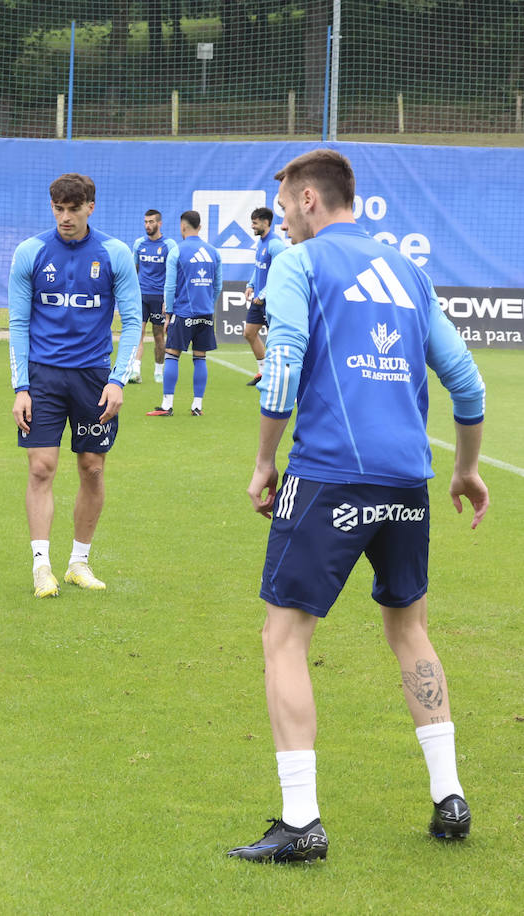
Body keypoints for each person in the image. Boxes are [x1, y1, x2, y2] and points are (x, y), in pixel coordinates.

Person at [228, 149, 488, 864]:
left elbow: (279, 364)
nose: (280, 220)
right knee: (410, 631)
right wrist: (464, 470)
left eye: (284, 207)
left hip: (331, 476)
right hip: (409, 481)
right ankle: (449, 797)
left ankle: (300, 821)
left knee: (284, 638)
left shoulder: (299, 265)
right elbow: (468, 385)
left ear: (310, 199)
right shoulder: (407, 271)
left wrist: (262, 461)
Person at [9, 173, 141, 598]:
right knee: (41, 467)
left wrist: (118, 380)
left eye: (73, 208)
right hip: (43, 377)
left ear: (90, 207)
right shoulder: (30, 253)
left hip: (94, 379)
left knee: (92, 468)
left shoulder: (114, 253)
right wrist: (21, 387)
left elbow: (135, 321)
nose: (65, 217)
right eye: (58, 209)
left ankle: (79, 563)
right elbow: (17, 323)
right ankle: (41, 566)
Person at [146, 210, 221, 418]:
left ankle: (167, 405)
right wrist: (207, 304)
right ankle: (197, 406)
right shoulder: (214, 252)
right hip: (205, 313)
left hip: (183, 313)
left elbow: (170, 286)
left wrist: (168, 313)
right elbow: (218, 286)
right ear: (200, 226)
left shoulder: (177, 251)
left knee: (172, 354)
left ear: (183, 226)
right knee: (200, 358)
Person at [130, 209, 178, 384]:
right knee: (138, 332)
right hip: (141, 295)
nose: (147, 225)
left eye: (151, 222)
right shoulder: (138, 244)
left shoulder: (169, 245)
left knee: (159, 335)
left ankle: (159, 371)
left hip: (159, 297)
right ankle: (135, 371)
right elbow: (133, 270)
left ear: (159, 223)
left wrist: (169, 300)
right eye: (145, 222)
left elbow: (174, 273)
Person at [242, 206, 288, 386]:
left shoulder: (276, 244)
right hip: (259, 300)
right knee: (249, 333)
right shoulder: (261, 242)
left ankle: (280, 377)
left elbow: (280, 273)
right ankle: (263, 372)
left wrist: (263, 295)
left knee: (275, 339)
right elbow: (259, 267)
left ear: (266, 223)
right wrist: (251, 285)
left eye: (255, 223)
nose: (252, 226)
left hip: (272, 300)